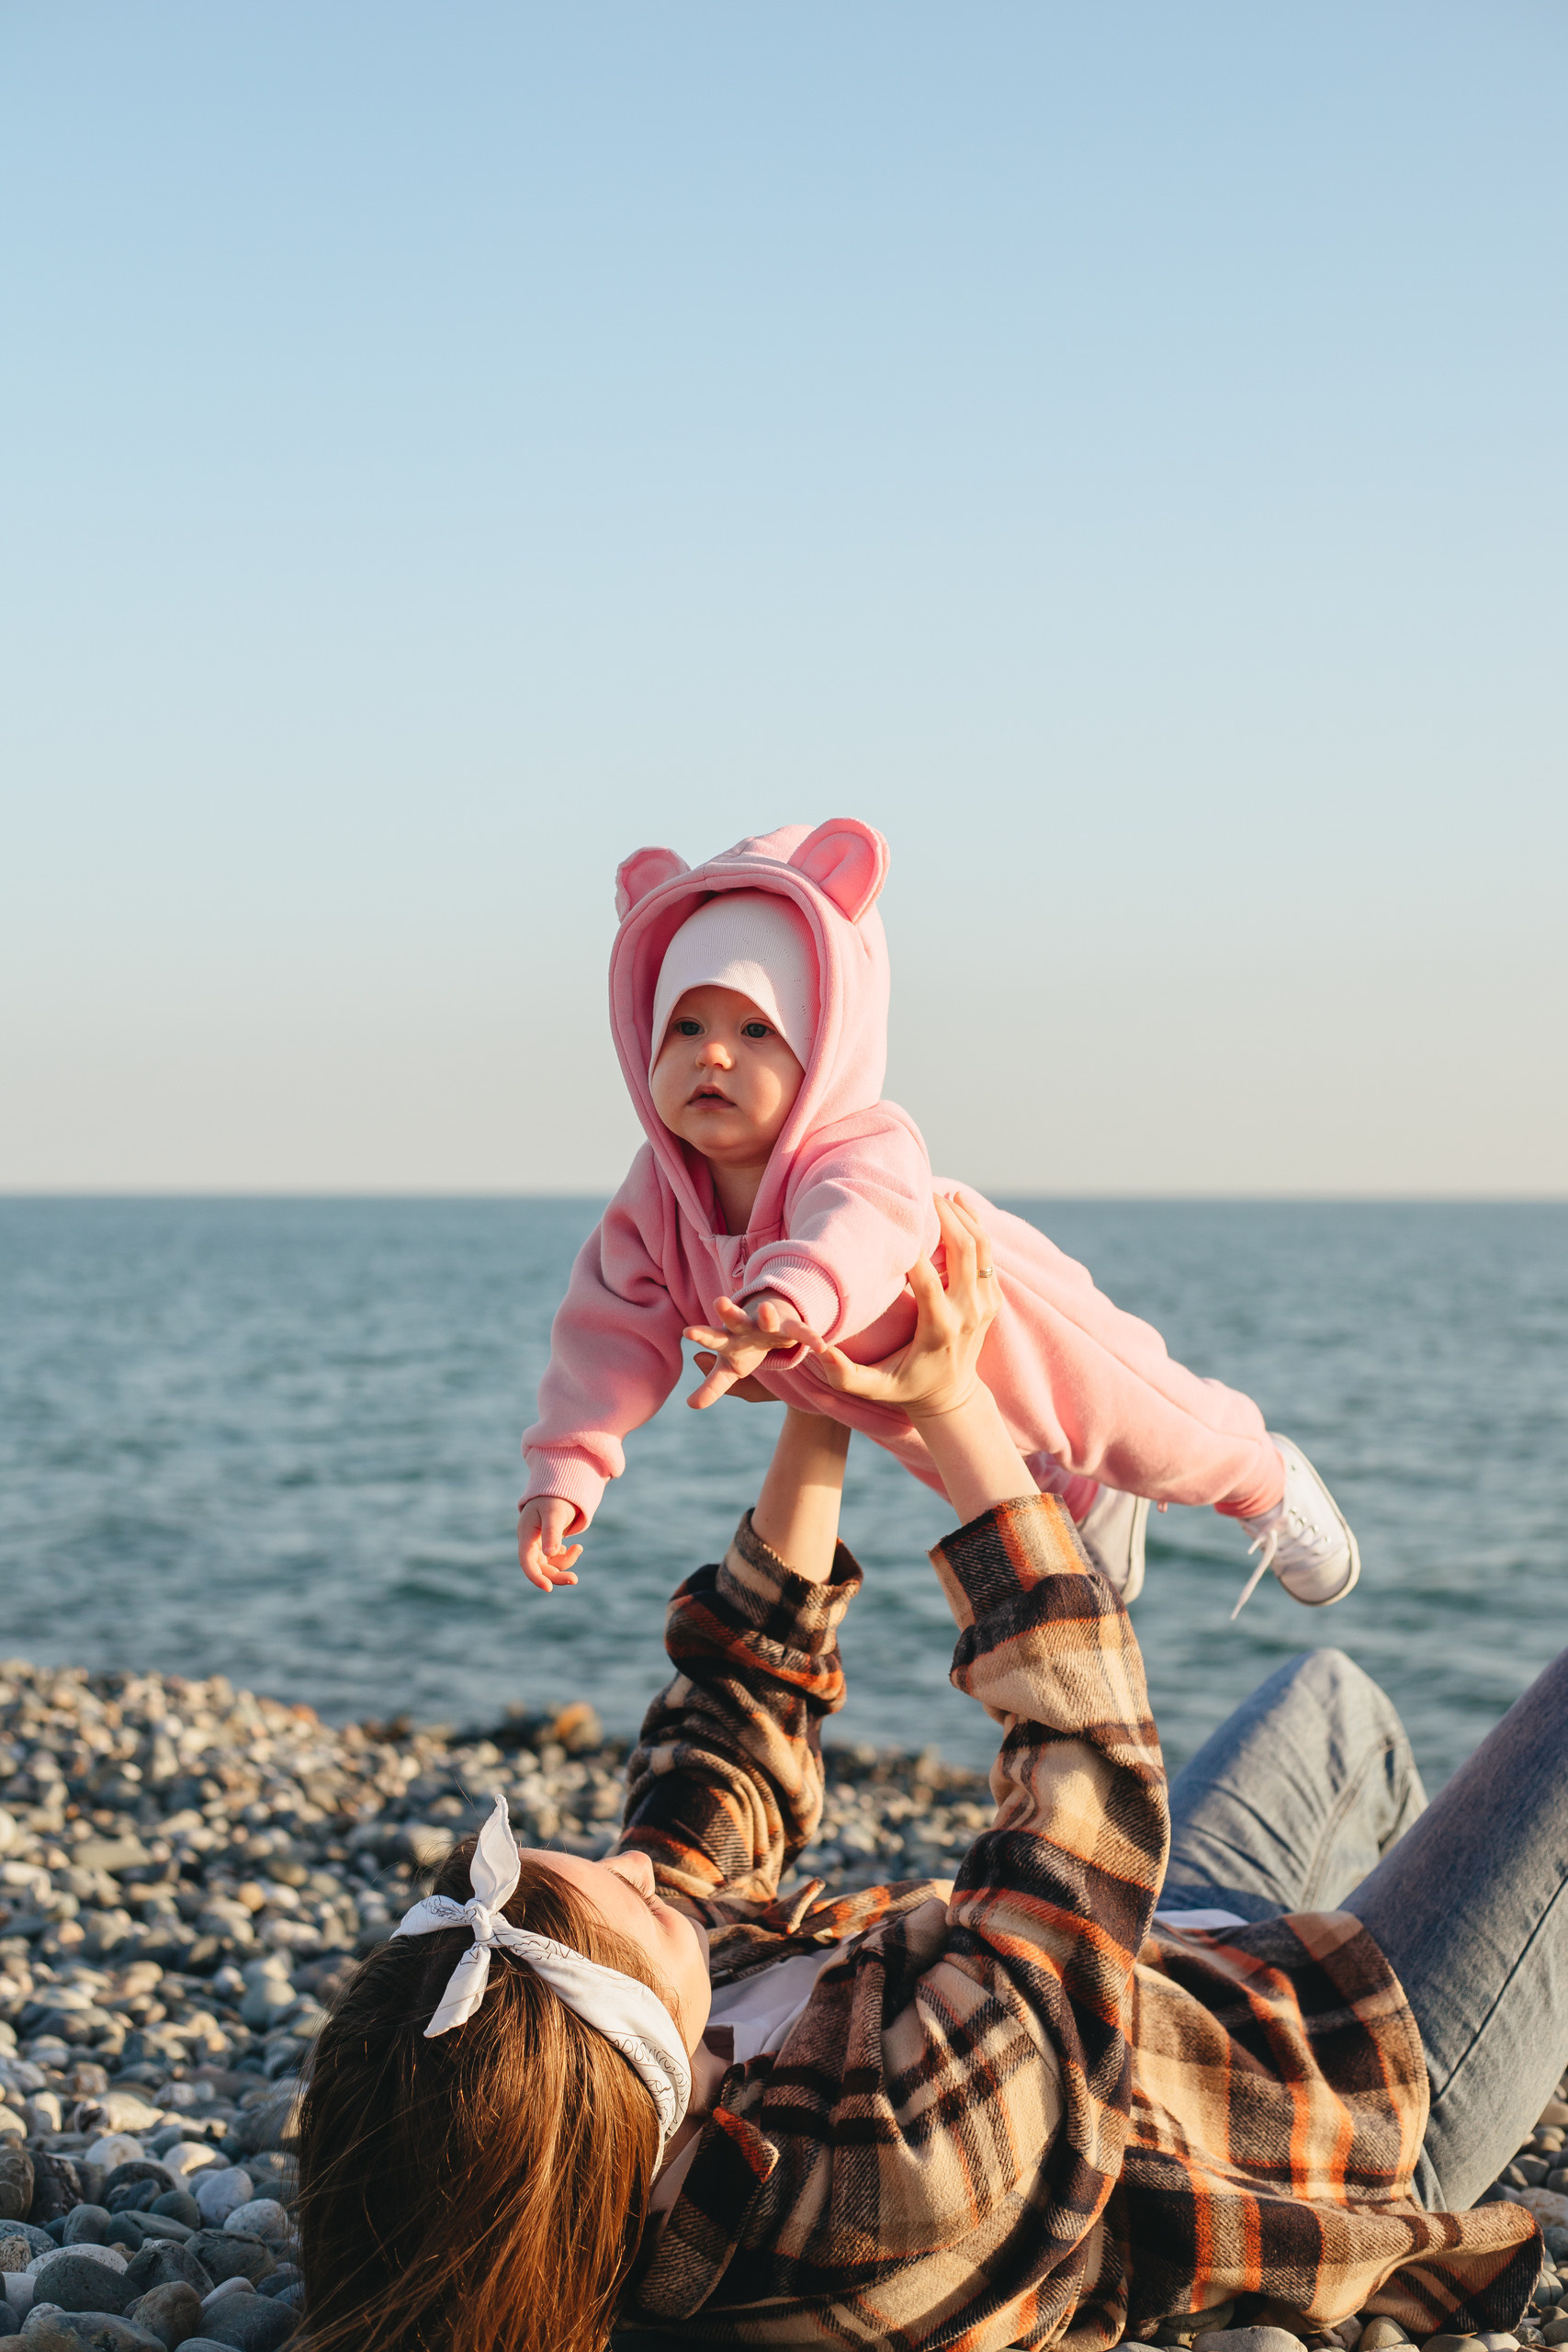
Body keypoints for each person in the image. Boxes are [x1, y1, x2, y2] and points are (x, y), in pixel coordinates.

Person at [301, 1198, 1559, 2352]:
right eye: (635, 1899)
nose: (640, 1867)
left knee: (1330, 1697)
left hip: (1170, 1963)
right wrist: (951, 1404)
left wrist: (822, 1392)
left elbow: (725, 1742)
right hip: (1333, 2094)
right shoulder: (881, 2176)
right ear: (626, 2083)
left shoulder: (618, 2105)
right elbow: (1086, 1771)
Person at [516, 819, 1358, 1619]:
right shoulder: (655, 1197)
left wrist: (784, 1300)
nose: (712, 1051)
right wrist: (565, 1473)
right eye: (685, 1025)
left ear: (825, 1047)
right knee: (958, 1464)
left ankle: (1260, 1478)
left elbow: (857, 1226)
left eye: (757, 1028)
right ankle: (1084, 1502)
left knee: (1150, 1433)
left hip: (1008, 1321)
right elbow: (606, 1334)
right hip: (887, 1396)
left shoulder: (862, 1147)